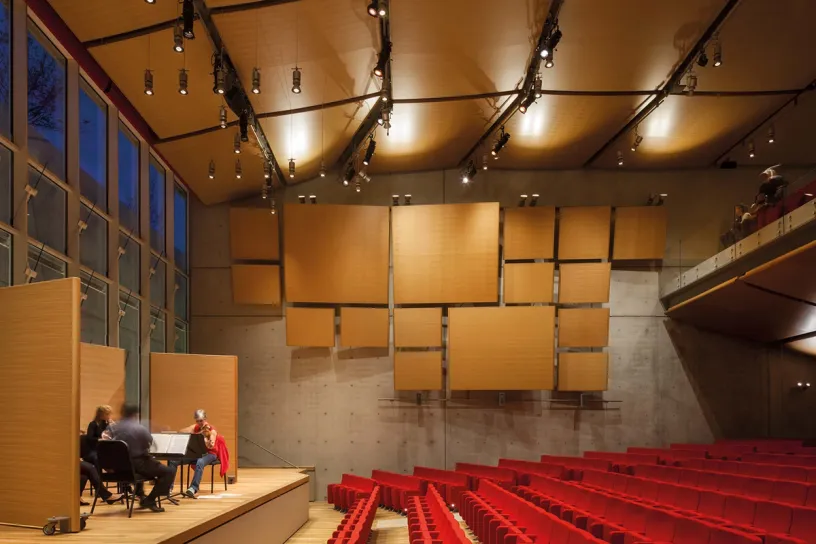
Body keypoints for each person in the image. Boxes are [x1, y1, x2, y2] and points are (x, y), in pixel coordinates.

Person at [104, 403, 174, 513]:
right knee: (168, 471)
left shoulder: (111, 427)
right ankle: (149, 500)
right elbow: (150, 444)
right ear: (135, 414)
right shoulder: (139, 428)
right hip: (136, 466)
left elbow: (104, 444)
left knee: (143, 465)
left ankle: (140, 494)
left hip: (116, 469)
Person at [169, 409, 229, 499]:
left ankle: (193, 488)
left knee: (200, 462)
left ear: (205, 419)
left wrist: (210, 441)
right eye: (197, 421)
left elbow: (212, 441)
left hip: (210, 454)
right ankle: (168, 488)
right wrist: (195, 432)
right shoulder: (195, 427)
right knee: (173, 460)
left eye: (201, 421)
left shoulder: (212, 430)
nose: (199, 423)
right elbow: (182, 431)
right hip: (198, 453)